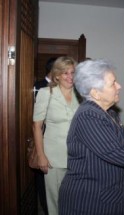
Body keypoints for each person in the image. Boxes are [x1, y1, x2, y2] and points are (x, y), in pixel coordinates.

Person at [58, 59, 124, 215]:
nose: (119, 86)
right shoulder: (88, 115)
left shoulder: (109, 113)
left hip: (111, 198)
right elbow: (118, 153)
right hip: (91, 203)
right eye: (113, 83)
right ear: (95, 93)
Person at [33, 56, 79, 215]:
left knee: (76, 199)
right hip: (53, 157)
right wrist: (41, 156)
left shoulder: (81, 95)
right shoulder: (46, 93)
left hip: (78, 157)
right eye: (65, 73)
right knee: (55, 202)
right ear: (57, 75)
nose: (70, 77)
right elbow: (37, 126)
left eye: (72, 72)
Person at [32, 57, 57, 215]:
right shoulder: (38, 86)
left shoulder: (66, 88)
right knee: (43, 180)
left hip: (59, 144)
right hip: (43, 139)